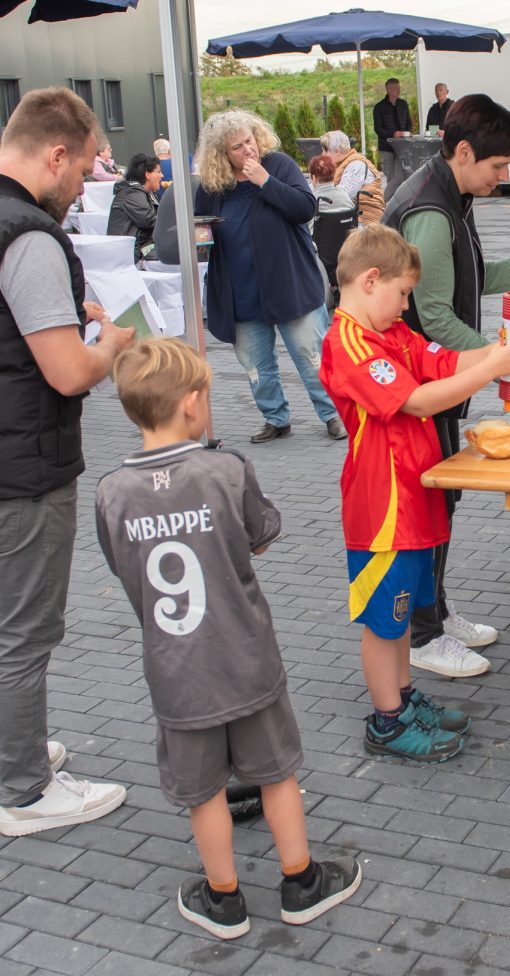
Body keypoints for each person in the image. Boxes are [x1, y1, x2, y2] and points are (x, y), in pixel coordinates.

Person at [95, 337, 361, 938]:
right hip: (246, 659)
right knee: (275, 774)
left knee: (205, 792)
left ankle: (224, 896)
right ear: (192, 404)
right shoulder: (225, 469)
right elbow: (260, 535)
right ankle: (301, 880)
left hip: (176, 673)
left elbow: (122, 565)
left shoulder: (112, 491)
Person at [319, 225, 510, 760]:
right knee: (381, 622)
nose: (406, 304)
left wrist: (496, 353)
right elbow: (417, 400)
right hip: (382, 510)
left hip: (411, 499)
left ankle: (404, 700)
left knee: (399, 618)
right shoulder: (347, 342)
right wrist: (492, 367)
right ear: (371, 281)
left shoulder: (387, 332)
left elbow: (440, 361)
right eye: (403, 293)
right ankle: (387, 722)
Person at [383, 93, 510, 679]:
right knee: (429, 505)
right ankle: (423, 634)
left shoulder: (453, 195)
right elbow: (437, 315)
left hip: (438, 378)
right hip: (420, 386)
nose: (505, 176)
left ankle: (434, 613)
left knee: (442, 502)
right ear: (463, 152)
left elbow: (475, 275)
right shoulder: (431, 210)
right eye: (498, 166)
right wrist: (506, 364)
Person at [0, 86, 134, 838]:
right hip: (24, 468)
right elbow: (66, 373)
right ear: (55, 155)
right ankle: (23, 789)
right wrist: (109, 345)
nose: (82, 187)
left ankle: (12, 748)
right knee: (25, 631)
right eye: (82, 172)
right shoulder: (29, 234)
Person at [193, 109, 346, 443]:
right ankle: (275, 417)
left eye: (249, 140)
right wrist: (199, 237)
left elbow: (305, 208)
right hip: (242, 290)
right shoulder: (213, 186)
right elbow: (201, 225)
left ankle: (334, 414)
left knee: (312, 355)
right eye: (237, 146)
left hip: (288, 282)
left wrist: (264, 180)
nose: (247, 149)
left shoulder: (277, 165)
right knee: (256, 365)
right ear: (222, 154)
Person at [106, 152, 161, 262]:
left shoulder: (143, 192)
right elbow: (149, 220)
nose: (162, 176)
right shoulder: (133, 193)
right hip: (130, 254)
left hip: (139, 249)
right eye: (159, 172)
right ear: (147, 174)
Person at [319, 130, 382, 223]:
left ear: (337, 151)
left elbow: (342, 196)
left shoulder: (357, 164)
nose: (322, 154)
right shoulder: (339, 165)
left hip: (366, 222)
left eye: (325, 150)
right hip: (350, 217)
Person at [373, 77, 412, 201]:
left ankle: (382, 202)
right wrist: (392, 134)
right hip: (387, 148)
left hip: (402, 147)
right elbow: (377, 128)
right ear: (388, 89)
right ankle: (391, 206)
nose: (398, 90)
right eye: (395, 88)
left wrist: (408, 132)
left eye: (399, 88)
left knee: (399, 177)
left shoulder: (403, 104)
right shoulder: (379, 107)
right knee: (391, 179)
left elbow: (409, 123)